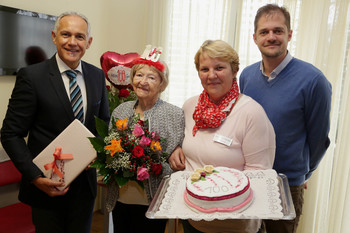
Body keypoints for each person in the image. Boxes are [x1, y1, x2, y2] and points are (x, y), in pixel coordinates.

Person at [0, 12, 109, 233]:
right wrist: (36, 177)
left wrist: (97, 153)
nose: (72, 42)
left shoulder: (97, 76)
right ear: (54, 36)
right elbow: (10, 134)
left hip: (84, 190)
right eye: (65, 34)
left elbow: (103, 124)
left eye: (79, 36)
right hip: (46, 188)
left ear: (88, 42)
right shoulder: (32, 77)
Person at [239, 4, 332, 233]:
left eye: (278, 31)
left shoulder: (314, 80)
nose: (271, 37)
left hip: (286, 185)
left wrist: (302, 174)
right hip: (249, 181)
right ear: (255, 37)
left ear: (289, 34)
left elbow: (319, 139)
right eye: (264, 32)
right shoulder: (246, 76)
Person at [169, 40, 275, 233]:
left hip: (233, 224)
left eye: (219, 67)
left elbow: (259, 176)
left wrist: (217, 196)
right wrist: (176, 150)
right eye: (204, 69)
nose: (211, 76)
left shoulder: (251, 113)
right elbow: (185, 143)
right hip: (192, 216)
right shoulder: (189, 107)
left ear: (234, 70)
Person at [105, 45, 185, 233]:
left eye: (151, 77)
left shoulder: (175, 114)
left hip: (154, 199)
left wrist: (177, 148)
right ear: (132, 80)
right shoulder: (120, 111)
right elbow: (110, 148)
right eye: (139, 75)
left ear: (162, 84)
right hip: (121, 196)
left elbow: (181, 148)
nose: (143, 81)